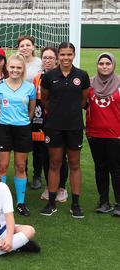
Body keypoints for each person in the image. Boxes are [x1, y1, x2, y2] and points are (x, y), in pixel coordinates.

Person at [40, 42, 90, 218]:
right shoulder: (49, 76)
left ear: (74, 55)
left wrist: (71, 113)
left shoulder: (82, 76)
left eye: (69, 54)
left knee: (75, 164)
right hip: (54, 126)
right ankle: (51, 202)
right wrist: (57, 112)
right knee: (55, 163)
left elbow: (83, 101)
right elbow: (44, 99)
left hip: (74, 126)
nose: (66, 58)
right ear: (58, 56)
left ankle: (75, 204)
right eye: (62, 55)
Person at [0, 53, 36, 216]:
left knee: (20, 166)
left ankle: (20, 202)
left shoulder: (29, 87)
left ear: (23, 69)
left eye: (19, 67)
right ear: (7, 68)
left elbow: (31, 110)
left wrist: (23, 121)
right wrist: (2, 123)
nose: (15, 70)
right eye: (12, 67)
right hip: (4, 128)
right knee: (2, 166)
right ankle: (1, 202)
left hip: (23, 129)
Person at [32, 46, 68, 198]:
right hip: (42, 122)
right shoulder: (37, 78)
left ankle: (61, 188)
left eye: (50, 58)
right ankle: (49, 186)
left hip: (60, 122)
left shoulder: (63, 77)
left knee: (60, 156)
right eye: (45, 58)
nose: (47, 61)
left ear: (57, 60)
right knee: (46, 155)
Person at [86, 52, 120, 216]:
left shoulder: (119, 83)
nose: (104, 66)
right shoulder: (90, 84)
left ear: (113, 65)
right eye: (101, 63)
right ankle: (104, 201)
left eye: (108, 63)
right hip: (95, 134)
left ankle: (119, 203)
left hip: (116, 135)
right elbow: (83, 105)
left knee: (116, 169)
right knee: (100, 168)